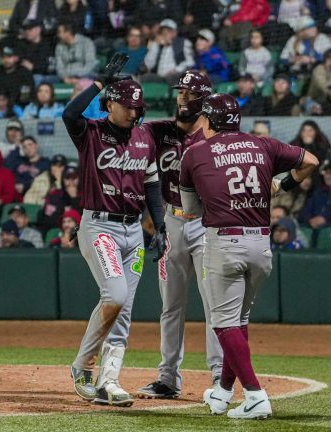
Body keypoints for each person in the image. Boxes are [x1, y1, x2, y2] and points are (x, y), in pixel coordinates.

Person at [179, 93, 319, 420]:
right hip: (261, 242)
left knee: (224, 323)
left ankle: (255, 395)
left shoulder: (195, 153)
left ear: (208, 120)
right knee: (238, 322)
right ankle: (223, 393)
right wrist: (281, 186)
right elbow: (311, 161)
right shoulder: (262, 144)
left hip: (224, 242)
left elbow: (190, 211)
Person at [63, 55, 165, 407]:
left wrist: (160, 225)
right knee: (116, 296)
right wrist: (97, 83)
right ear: (109, 104)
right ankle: (82, 365)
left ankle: (109, 381)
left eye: (138, 107)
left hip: (134, 230)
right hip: (99, 225)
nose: (134, 112)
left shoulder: (145, 138)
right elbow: (69, 115)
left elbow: (152, 185)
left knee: (124, 308)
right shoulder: (91, 133)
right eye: (127, 106)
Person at [135, 70, 223, 399]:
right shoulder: (159, 131)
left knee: (214, 303)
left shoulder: (215, 137)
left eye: (191, 93)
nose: (183, 97)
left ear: (205, 99)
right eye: (180, 92)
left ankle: (220, 376)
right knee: (170, 305)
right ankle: (168, 377)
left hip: (206, 224)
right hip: (172, 220)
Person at [142, 19, 195, 85]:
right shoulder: (157, 45)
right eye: (163, 31)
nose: (165, 34)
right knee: (145, 78)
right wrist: (155, 45)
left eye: (169, 31)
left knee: (172, 78)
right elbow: (149, 65)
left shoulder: (183, 42)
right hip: (159, 77)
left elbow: (190, 62)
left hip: (176, 76)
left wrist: (176, 70)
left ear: (175, 32)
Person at [0, 45, 33, 109]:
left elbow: (26, 97)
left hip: (19, 108)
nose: (6, 60)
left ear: (15, 58)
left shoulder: (24, 74)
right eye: (3, 57)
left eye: (9, 57)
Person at [16, 19, 55, 84]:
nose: (27, 32)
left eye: (30, 29)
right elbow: (21, 62)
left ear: (38, 29)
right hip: (29, 76)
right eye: (25, 29)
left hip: (49, 76)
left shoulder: (48, 44)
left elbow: (50, 67)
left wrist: (34, 67)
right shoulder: (21, 44)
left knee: (37, 78)